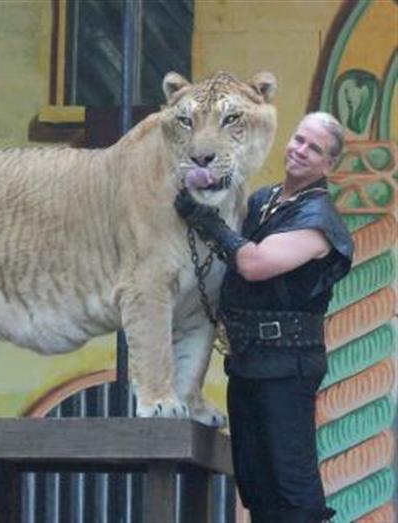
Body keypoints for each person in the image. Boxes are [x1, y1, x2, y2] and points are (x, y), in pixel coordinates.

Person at [175, 112, 354, 523]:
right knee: (256, 486)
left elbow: (254, 263)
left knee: (293, 489)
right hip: (249, 360)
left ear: (328, 165)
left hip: (288, 365)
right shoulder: (264, 200)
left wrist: (205, 222)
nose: (300, 150)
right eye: (299, 140)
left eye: (314, 149)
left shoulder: (320, 221)